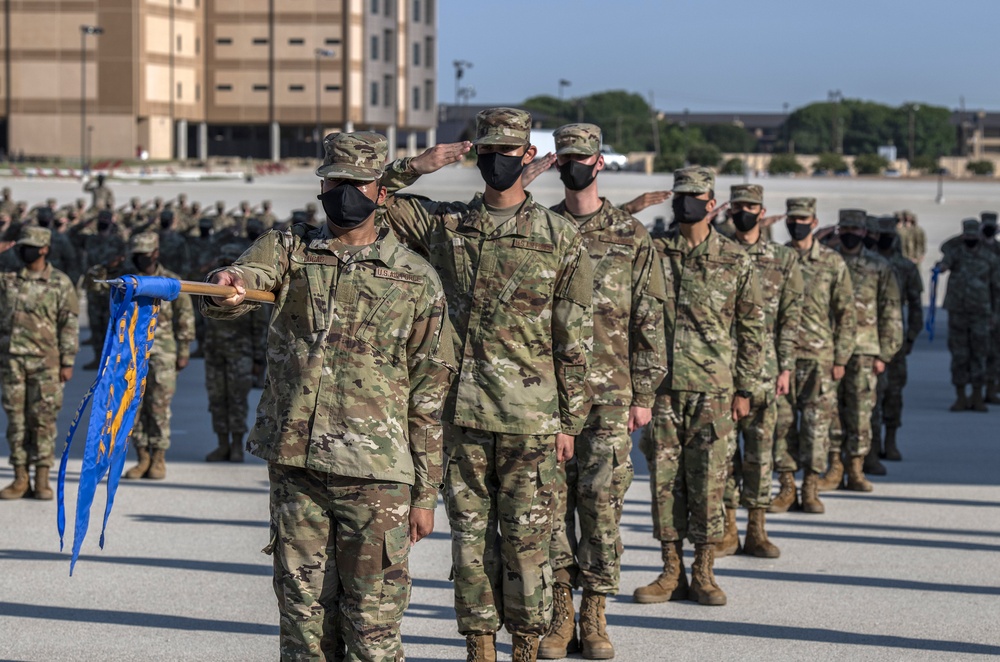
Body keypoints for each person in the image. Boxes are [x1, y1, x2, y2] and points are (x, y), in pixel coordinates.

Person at [204, 131, 456, 660]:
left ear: (382, 191)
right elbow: (247, 280)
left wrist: (427, 493)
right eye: (334, 183)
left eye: (356, 184)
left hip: (379, 477)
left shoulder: (415, 279)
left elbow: (429, 395)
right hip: (299, 467)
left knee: (373, 626)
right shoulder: (292, 250)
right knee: (303, 621)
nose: (344, 194)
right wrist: (231, 281)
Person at [380, 107, 594, 661]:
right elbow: (368, 200)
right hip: (462, 415)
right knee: (470, 545)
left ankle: (525, 646)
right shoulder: (448, 227)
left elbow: (574, 336)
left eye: (509, 152)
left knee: (527, 545)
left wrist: (571, 421)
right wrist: (415, 165)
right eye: (488, 151)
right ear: (477, 157)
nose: (498, 161)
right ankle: (480, 647)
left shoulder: (559, 236)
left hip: (532, 419)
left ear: (527, 157)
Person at [536, 123, 666, 660]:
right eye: (564, 157)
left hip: (611, 395)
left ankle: (596, 613)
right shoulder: (541, 228)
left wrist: (646, 390)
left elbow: (651, 316)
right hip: (546, 396)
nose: (573, 165)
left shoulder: (630, 234)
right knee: (551, 505)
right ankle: (560, 612)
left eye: (581, 157)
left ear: (599, 163)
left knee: (602, 505)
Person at [634, 166, 766, 608]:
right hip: (663, 389)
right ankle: (670, 570)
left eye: (694, 196)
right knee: (664, 483)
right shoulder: (653, 252)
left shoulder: (735, 259)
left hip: (714, 391)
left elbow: (752, 329)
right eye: (679, 195)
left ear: (713, 204)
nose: (684, 202)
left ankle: (704, 571)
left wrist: (746, 388)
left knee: (710, 483)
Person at [715, 184, 802, 558]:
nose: (744, 213)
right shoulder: (719, 253)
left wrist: (785, 367)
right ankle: (728, 529)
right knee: (724, 455)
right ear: (730, 210)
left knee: (760, 453)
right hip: (723, 372)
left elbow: (789, 318)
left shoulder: (783, 259)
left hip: (765, 373)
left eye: (751, 207)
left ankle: (757, 530)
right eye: (738, 207)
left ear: (763, 212)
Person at [770, 198, 855, 514]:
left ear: (815, 222)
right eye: (792, 218)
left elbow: (845, 312)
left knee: (817, 428)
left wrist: (841, 358)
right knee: (782, 425)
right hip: (783, 359)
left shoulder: (832, 262)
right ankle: (787, 487)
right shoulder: (778, 258)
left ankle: (811, 487)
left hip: (820, 358)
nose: (797, 223)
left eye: (803, 218)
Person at [820, 210, 902, 493]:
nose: (850, 233)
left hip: (865, 349)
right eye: (845, 227)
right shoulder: (827, 261)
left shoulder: (879, 266)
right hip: (828, 348)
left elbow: (891, 309)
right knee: (831, 410)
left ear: (866, 232)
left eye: (855, 228)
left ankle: (856, 466)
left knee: (860, 412)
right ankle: (834, 466)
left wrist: (885, 353)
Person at [0, 226, 79, 500]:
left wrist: (67, 362)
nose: (24, 250)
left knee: (43, 421)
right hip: (12, 364)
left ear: (44, 248)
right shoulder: (8, 280)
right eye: (21, 245)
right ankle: (21, 478)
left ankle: (42, 479)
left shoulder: (60, 282)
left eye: (30, 246)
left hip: (47, 365)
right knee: (16, 422)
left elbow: (68, 325)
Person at [122, 232, 195, 480]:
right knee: (134, 406)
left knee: (159, 405)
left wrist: (184, 350)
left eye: (144, 255)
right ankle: (142, 456)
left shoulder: (171, 282)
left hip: (163, 352)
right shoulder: (128, 281)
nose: (140, 259)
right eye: (136, 255)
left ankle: (159, 458)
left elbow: (184, 317)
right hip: (132, 353)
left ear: (155, 253)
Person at [203, 243, 269, 462]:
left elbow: (259, 327)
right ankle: (222, 444)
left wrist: (259, 359)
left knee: (237, 400)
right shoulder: (213, 287)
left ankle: (236, 445)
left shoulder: (246, 292)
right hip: (215, 352)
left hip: (240, 354)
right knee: (217, 399)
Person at [935, 219, 1000, 412]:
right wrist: (942, 267)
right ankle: (961, 396)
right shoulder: (956, 252)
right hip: (958, 312)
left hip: (981, 313)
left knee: (980, 354)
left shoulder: (990, 258)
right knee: (959, 356)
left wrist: (996, 314)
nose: (970, 239)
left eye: (974, 235)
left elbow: (997, 289)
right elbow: (945, 252)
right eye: (967, 235)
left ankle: (978, 396)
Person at [874, 216, 922, 461]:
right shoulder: (867, 261)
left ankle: (890, 440)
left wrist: (912, 335)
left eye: (888, 233)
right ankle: (871, 445)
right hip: (867, 336)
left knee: (894, 392)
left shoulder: (905, 266)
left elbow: (916, 304)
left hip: (895, 338)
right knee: (869, 394)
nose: (885, 237)